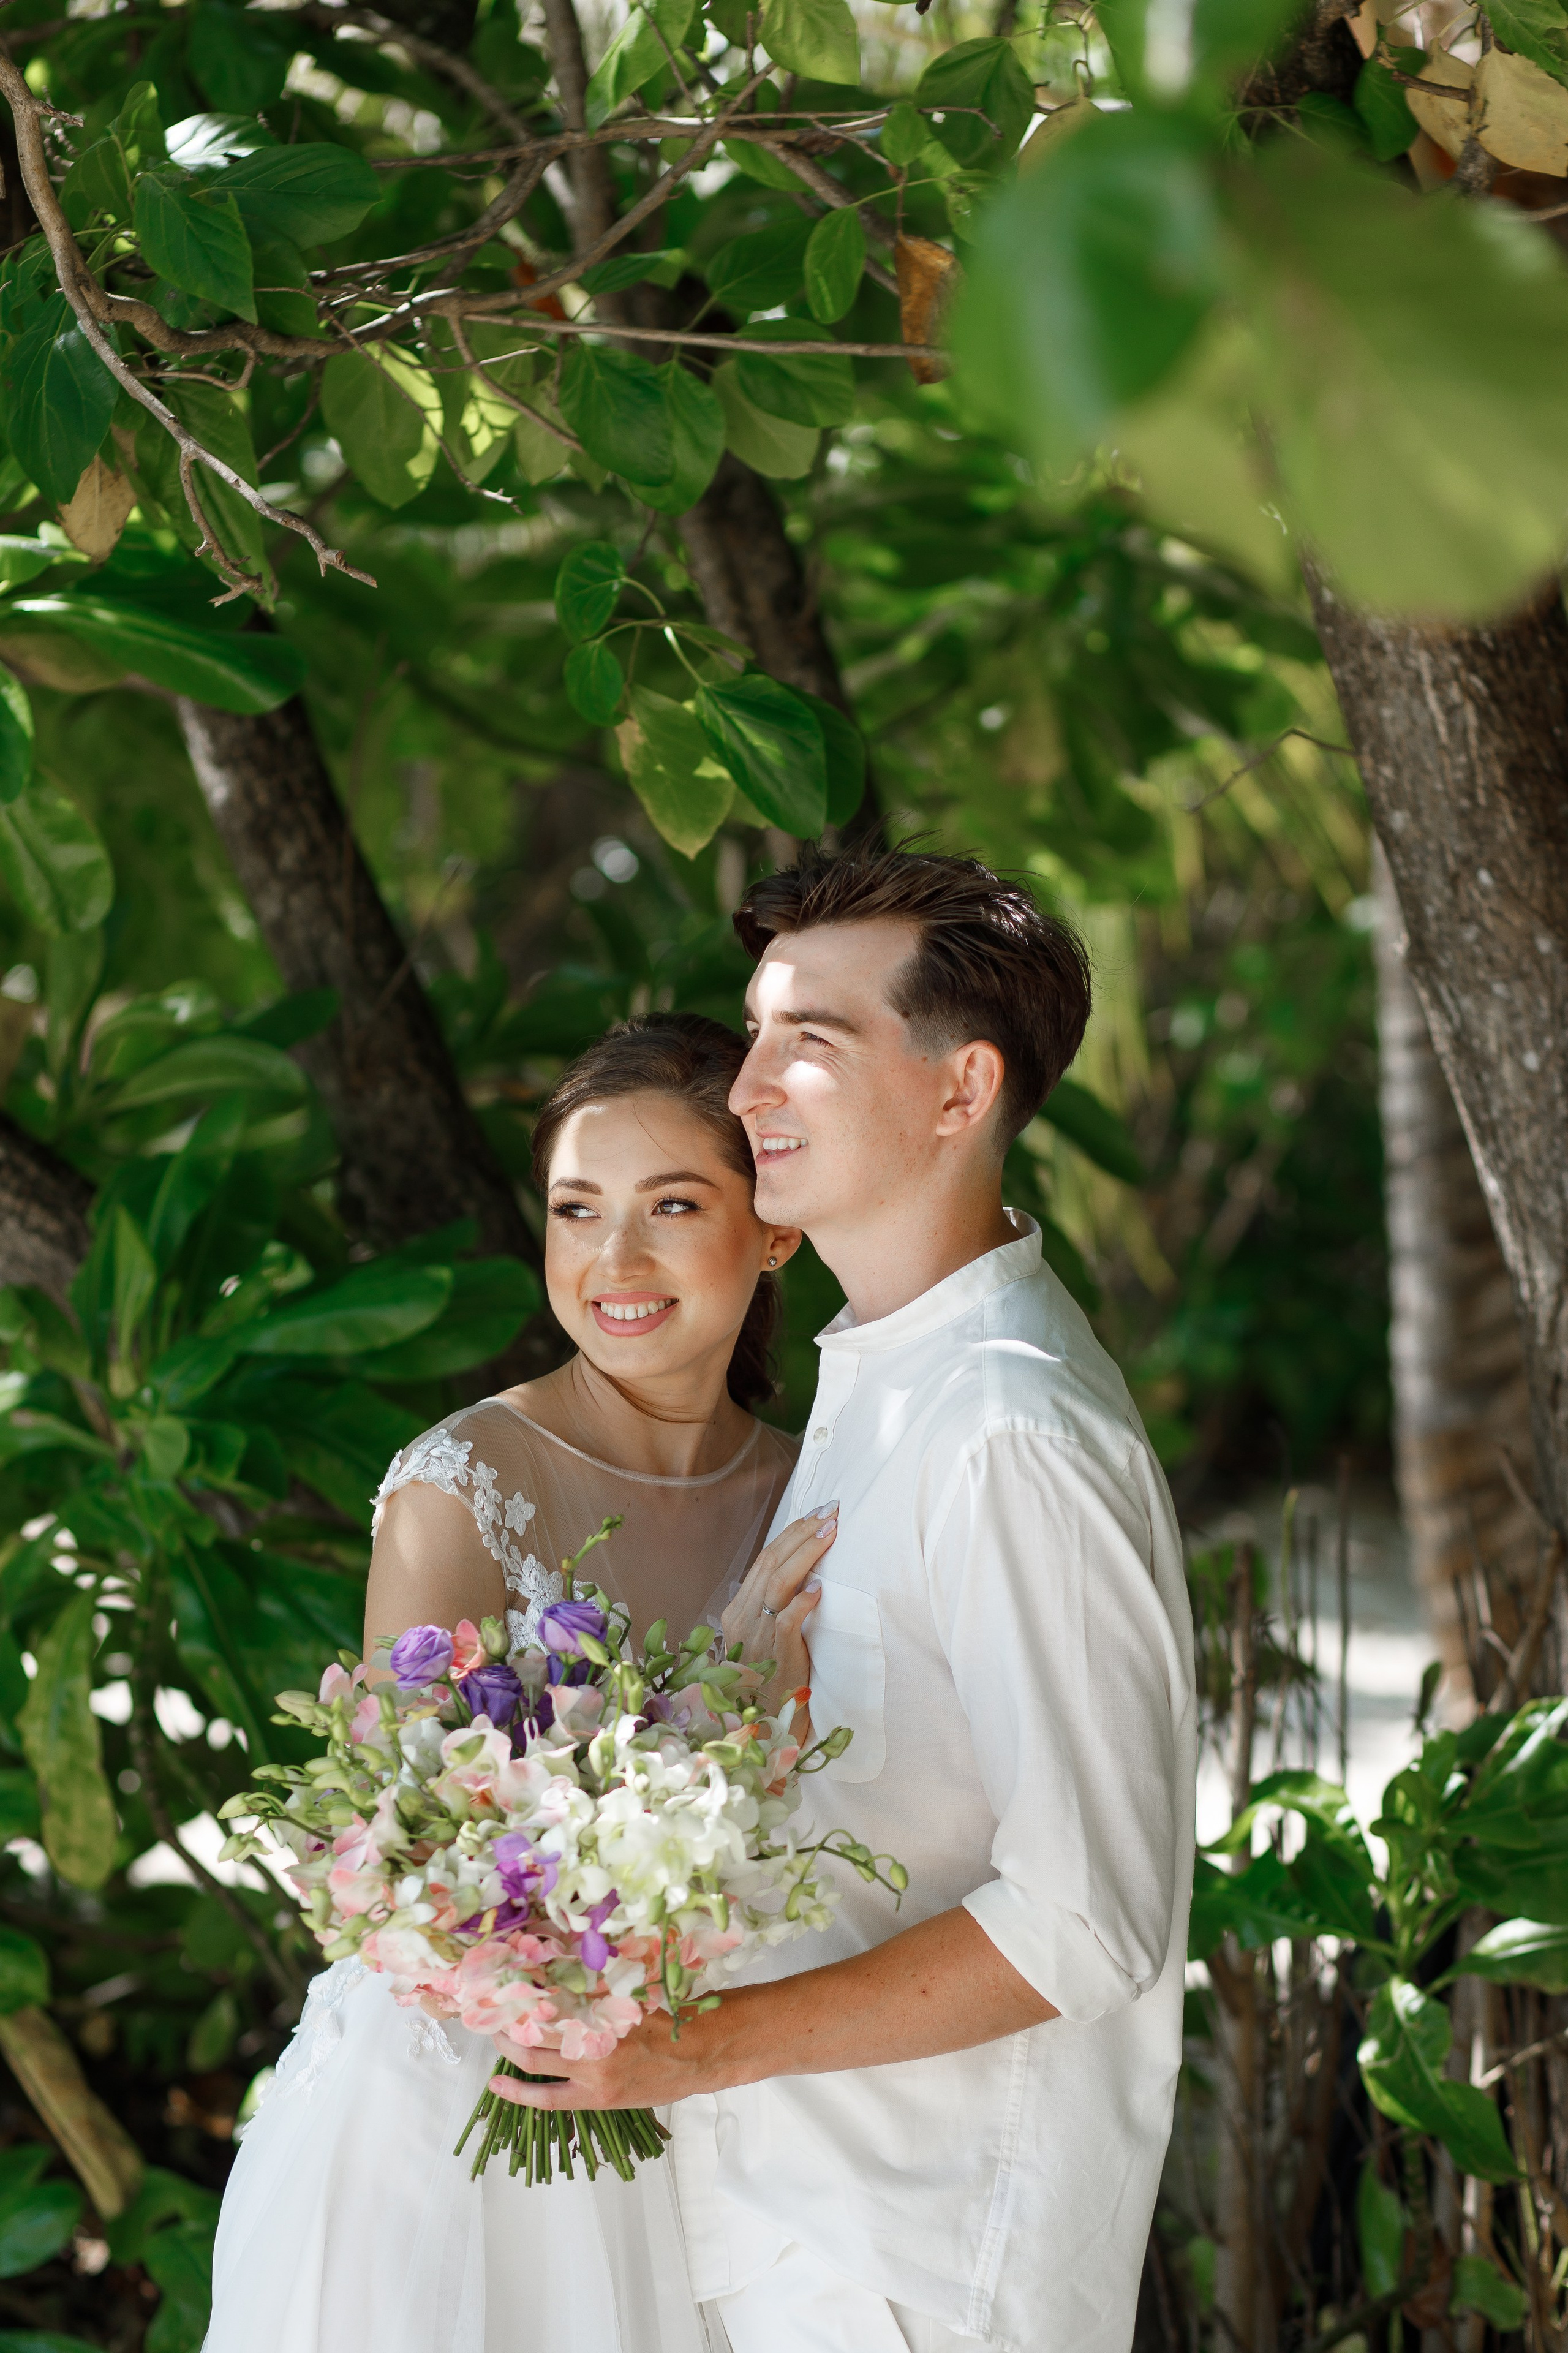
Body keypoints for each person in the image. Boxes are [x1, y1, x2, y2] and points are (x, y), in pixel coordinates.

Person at [487, 848, 1197, 2353]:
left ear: (959, 1093)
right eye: (753, 1034)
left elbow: (1088, 1917)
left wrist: (696, 2048)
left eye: (806, 1043)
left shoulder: (1012, 1427)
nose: (746, 1089)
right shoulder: (875, 1383)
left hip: (920, 2262)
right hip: (791, 2229)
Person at [203, 1013, 835, 2353]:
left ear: (773, 1223)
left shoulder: (824, 1487)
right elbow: (416, 1870)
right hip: (460, 2129)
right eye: (576, 1209)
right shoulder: (460, 1490)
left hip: (738, 2107)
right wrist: (709, 1715)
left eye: (674, 1203)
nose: (616, 1260)